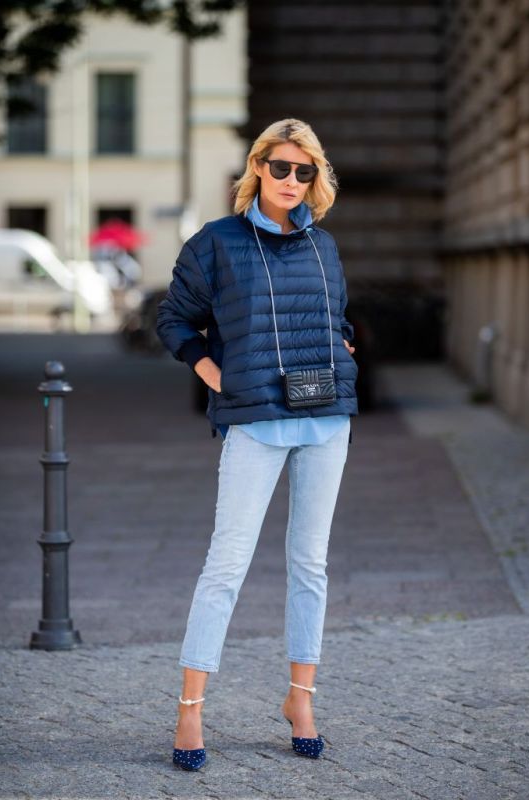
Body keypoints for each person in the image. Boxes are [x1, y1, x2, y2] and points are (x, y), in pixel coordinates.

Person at [156, 117, 359, 771]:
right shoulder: (217, 242)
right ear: (258, 169)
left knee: (311, 566)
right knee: (226, 567)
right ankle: (191, 711)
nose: (292, 180)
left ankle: (300, 699)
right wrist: (216, 374)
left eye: (305, 170)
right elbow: (175, 318)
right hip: (255, 424)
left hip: (327, 421)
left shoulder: (322, 245)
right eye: (281, 167)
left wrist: (343, 342)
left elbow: (335, 314)